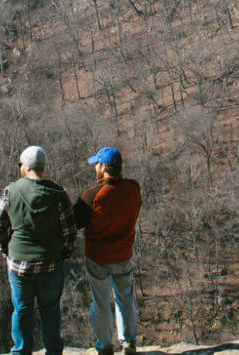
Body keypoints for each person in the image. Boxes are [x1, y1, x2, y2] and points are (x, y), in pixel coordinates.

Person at [0, 145, 76, 355]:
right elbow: (69, 231)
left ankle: (20, 351)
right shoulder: (57, 194)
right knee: (50, 309)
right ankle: (53, 351)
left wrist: (7, 251)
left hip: (19, 264)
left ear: (25, 167)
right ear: (43, 167)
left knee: (21, 309)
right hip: (50, 263)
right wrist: (63, 254)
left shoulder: (10, 192)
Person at [74, 147, 143, 355]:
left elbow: (74, 222)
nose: (95, 167)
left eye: (97, 164)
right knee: (125, 296)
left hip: (97, 256)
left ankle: (105, 345)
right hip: (123, 253)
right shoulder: (133, 188)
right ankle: (129, 340)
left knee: (101, 301)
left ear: (103, 167)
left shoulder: (91, 195)